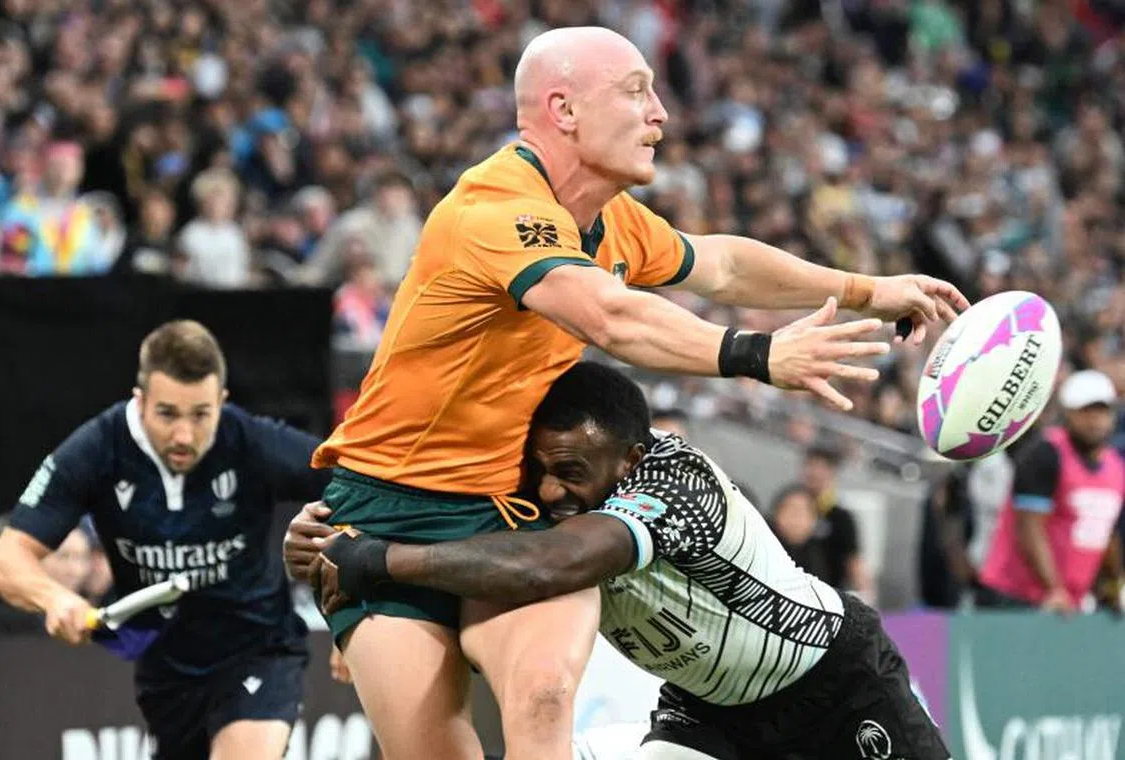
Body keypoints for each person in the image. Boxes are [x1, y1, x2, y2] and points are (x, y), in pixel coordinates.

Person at [286, 25, 965, 760]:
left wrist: (869, 289)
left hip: (512, 509)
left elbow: (724, 267)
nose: (660, 113)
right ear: (564, 109)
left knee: (543, 696)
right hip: (383, 509)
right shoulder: (493, 208)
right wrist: (757, 353)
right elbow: (607, 314)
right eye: (635, 90)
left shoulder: (609, 222)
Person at [310, 362, 949, 760]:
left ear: (631, 461)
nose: (553, 491)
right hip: (708, 713)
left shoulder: (679, 479)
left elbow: (551, 566)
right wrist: (317, 541)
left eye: (572, 472)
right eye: (542, 472)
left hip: (833, 681)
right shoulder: (542, 504)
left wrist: (379, 559)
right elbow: (463, 544)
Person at [0, 320, 330, 760]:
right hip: (167, 669)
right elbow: (5, 561)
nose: (184, 435)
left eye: (201, 415)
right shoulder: (96, 449)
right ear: (141, 400)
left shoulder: (252, 441)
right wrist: (55, 599)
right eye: (167, 414)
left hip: (259, 649)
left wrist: (353, 609)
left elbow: (359, 489)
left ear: (221, 402)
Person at [977, 369, 1125, 613]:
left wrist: (1112, 588)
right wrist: (1053, 588)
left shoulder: (1115, 467)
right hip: (1017, 596)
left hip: (1070, 602)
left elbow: (1105, 533)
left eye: (1101, 411)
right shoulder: (1045, 453)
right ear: (1068, 413)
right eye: (1086, 411)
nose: (1095, 420)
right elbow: (1029, 527)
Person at [800, 444, 876, 603]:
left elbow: (853, 560)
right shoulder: (791, 507)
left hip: (829, 599)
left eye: (820, 467)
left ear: (831, 473)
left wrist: (866, 595)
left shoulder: (841, 517)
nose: (813, 472)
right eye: (810, 466)